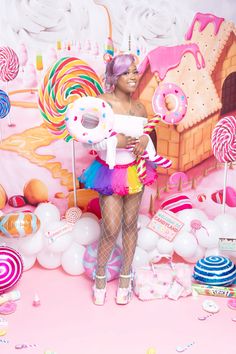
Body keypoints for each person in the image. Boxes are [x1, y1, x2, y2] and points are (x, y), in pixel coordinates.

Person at [79, 54, 158, 305]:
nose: (133, 77)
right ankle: (100, 274)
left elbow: (149, 139)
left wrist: (145, 141)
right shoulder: (102, 103)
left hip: (135, 171)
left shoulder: (141, 108)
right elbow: (86, 138)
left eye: (135, 72)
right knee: (111, 227)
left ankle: (126, 276)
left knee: (130, 225)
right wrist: (115, 141)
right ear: (115, 77)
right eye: (127, 73)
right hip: (109, 172)